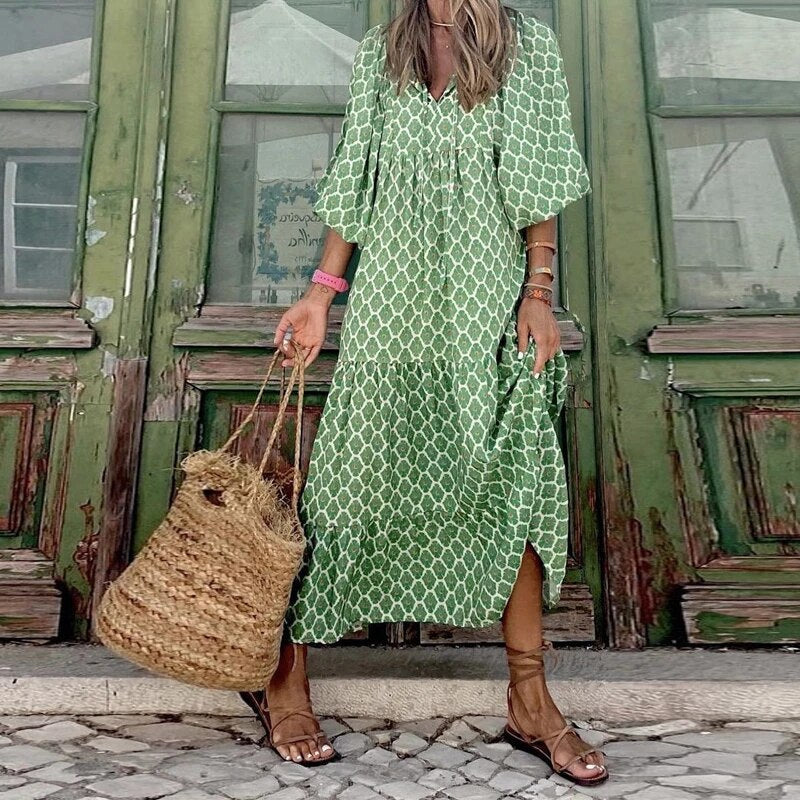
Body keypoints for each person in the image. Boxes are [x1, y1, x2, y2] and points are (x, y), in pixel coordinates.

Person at [239, 0, 606, 786]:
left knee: (507, 481)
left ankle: (531, 700)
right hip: (391, 311)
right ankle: (285, 676)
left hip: (483, 307)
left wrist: (536, 293)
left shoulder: (525, 45)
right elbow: (357, 175)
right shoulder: (387, 48)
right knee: (347, 488)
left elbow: (538, 174)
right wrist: (320, 294)